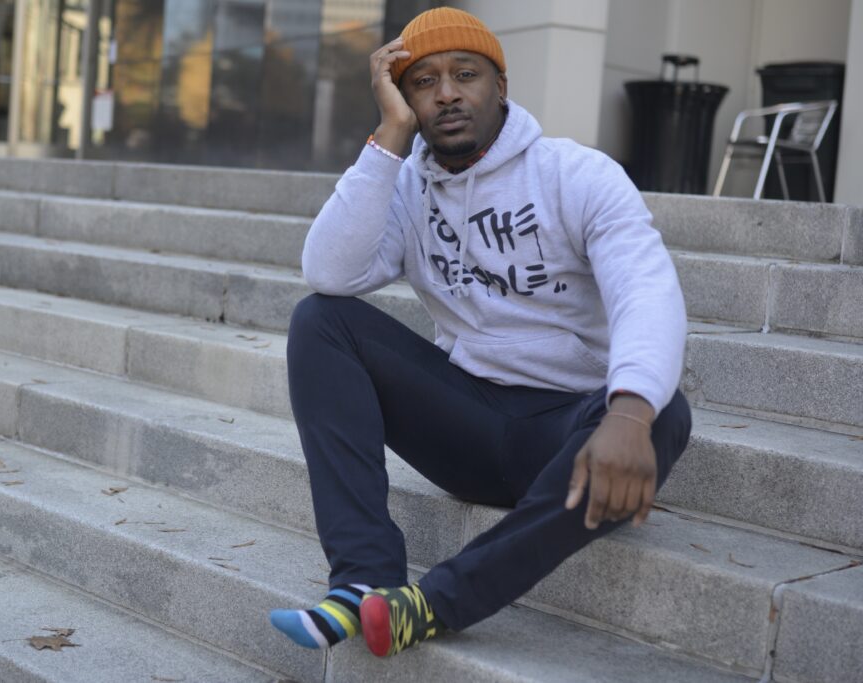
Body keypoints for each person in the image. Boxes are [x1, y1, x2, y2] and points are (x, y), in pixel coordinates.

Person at [270, 7, 691, 659]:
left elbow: (647, 289)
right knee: (321, 322)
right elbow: (328, 271)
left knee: (663, 414)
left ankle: (433, 603)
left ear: (501, 85)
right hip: (470, 421)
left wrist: (629, 415)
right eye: (423, 82)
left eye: (465, 74)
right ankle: (362, 578)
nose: (445, 93)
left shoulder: (573, 174)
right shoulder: (407, 187)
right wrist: (388, 140)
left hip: (572, 436)